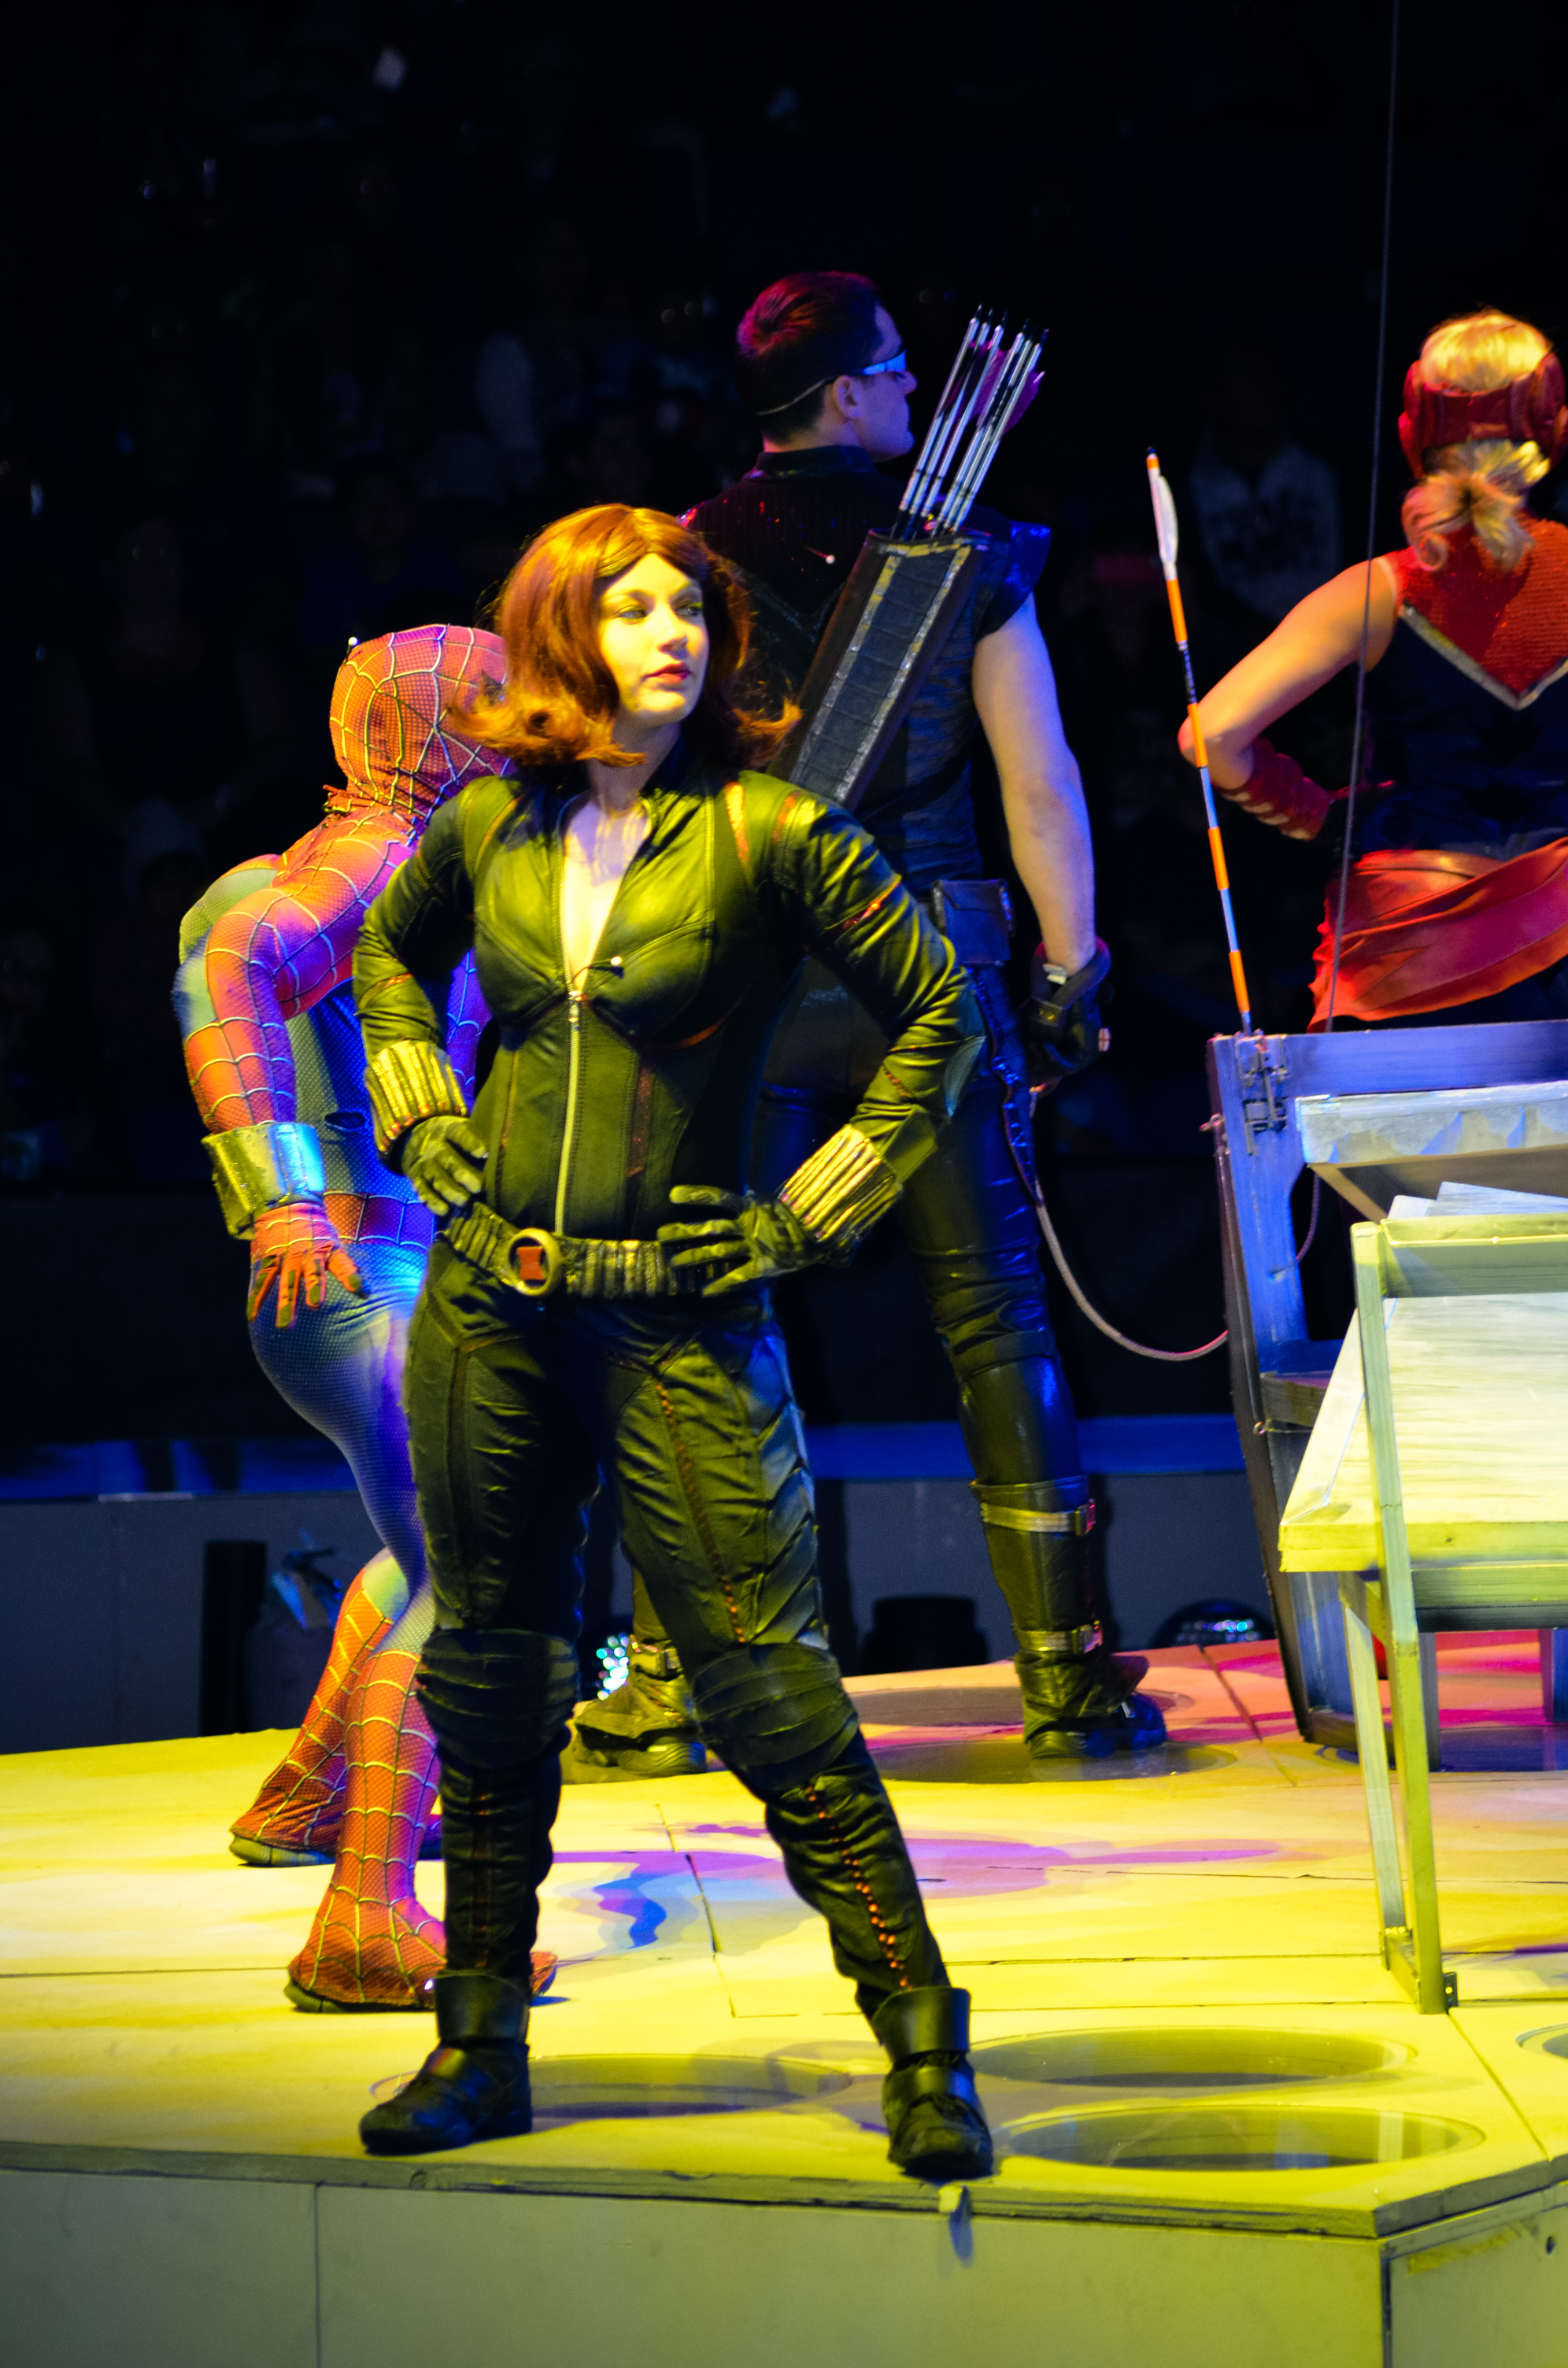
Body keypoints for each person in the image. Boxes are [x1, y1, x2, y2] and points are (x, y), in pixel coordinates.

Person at [353, 502, 994, 2181]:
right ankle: (476, 2041)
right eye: (633, 608)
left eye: (690, 608)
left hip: (683, 1314)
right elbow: (387, 958)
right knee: (493, 1673)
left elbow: (942, 1007)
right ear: (562, 636)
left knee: (769, 1690)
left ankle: (925, 2043)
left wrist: (804, 1214)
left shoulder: (774, 829)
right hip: (492, 1304)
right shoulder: (489, 823)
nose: (674, 633)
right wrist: (416, 1108)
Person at [571, 270, 1164, 1776]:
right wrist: (1068, 975)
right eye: (895, 369)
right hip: (933, 975)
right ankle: (1067, 1683)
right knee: (998, 1324)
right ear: (843, 393)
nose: (912, 389)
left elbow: (636, 778)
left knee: (700, 1319)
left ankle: (671, 1683)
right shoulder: (963, 554)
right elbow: (1038, 786)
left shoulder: (681, 556)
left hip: (750, 977)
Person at [175, 623, 552, 2011]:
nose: (524, 728)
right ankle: (364, 1919)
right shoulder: (377, 857)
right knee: (472, 1570)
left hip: (374, 1273)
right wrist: (275, 1196)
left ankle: (306, 1798)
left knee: (430, 1548)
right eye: (495, 707)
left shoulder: (377, 857)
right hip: (356, 1274)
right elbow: (228, 967)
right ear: (432, 731)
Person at [1182, 309, 1568, 1027]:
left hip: (1411, 959)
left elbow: (1212, 736)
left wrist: (1317, 815)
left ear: (1416, 433)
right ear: (1552, 428)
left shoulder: (1381, 590)